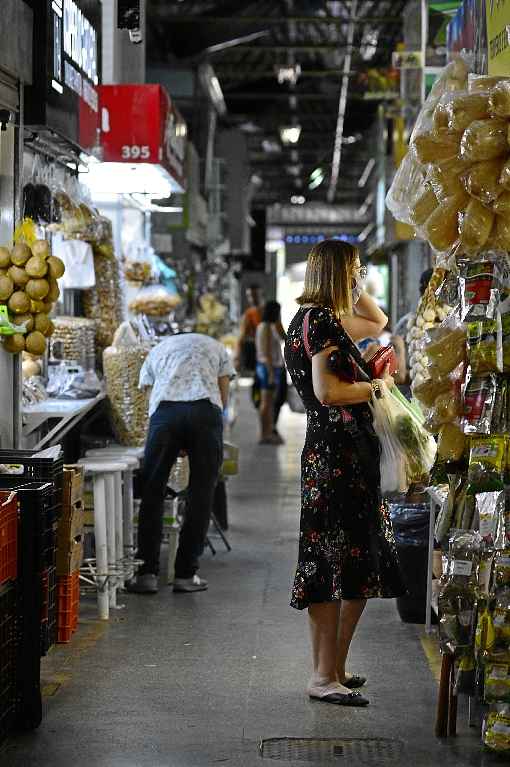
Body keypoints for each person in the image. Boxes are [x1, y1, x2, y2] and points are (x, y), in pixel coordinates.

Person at [284, 239, 405, 707]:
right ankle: (321, 675)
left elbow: (378, 322)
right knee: (331, 560)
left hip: (344, 456)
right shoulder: (318, 321)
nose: (361, 276)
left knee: (357, 561)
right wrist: (377, 385)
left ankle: (333, 669)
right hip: (335, 458)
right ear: (336, 271)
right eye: (354, 269)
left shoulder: (319, 319)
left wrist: (355, 286)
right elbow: (328, 391)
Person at [127, 330, 235, 595]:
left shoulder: (158, 349)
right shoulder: (216, 346)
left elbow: (149, 396)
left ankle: (147, 574)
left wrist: (171, 432)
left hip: (166, 414)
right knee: (201, 494)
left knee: (152, 491)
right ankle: (186, 574)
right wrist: (205, 429)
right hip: (204, 412)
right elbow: (223, 393)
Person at [255, 300, 286, 445]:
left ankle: (267, 432)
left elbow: (284, 338)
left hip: (272, 367)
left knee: (270, 402)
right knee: (266, 403)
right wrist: (271, 373)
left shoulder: (270, 326)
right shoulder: (266, 327)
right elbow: (266, 352)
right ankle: (264, 434)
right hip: (269, 367)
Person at [235, 284, 263, 373]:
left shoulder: (268, 311)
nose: (252, 298)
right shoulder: (248, 314)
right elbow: (242, 336)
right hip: (254, 351)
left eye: (254, 295)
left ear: (261, 294)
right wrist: (237, 356)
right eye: (249, 296)